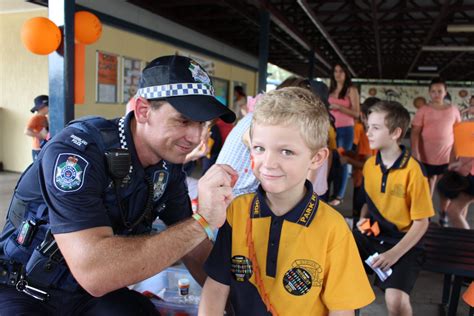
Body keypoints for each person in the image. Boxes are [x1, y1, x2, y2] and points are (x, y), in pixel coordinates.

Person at [0, 55, 237, 315]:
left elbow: (194, 248)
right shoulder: (77, 152)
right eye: (183, 120)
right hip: (24, 290)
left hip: (86, 296)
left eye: (203, 123)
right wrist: (203, 223)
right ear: (144, 111)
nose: (196, 137)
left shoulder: (169, 167)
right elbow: (95, 272)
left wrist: (240, 305)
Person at [199, 87, 375, 316]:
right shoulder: (237, 212)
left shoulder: (333, 228)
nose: (268, 163)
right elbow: (216, 288)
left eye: (286, 152)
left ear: (317, 158)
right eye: (260, 148)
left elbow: (342, 310)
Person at [354, 101, 434, 316]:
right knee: (343, 282)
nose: (368, 132)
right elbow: (367, 203)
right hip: (373, 233)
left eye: (376, 128)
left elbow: (422, 222)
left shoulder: (414, 171)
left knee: (396, 301)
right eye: (368, 126)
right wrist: (363, 220)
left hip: (403, 241)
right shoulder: (370, 166)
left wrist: (394, 254)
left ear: (396, 133)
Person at [410, 78, 461, 226]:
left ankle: (443, 214)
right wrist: (416, 152)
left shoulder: (453, 110)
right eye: (433, 91)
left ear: (445, 92)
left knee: (444, 186)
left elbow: (458, 134)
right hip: (426, 157)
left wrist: (457, 155)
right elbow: (415, 133)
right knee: (427, 187)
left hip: (446, 157)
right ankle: (426, 215)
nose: (436, 94)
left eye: (439, 91)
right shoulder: (423, 110)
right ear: (429, 93)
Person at [328, 63, 360, 206]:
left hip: (346, 129)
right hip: (330, 128)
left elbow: (357, 113)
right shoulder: (331, 89)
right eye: (335, 71)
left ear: (346, 73)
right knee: (330, 161)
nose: (338, 74)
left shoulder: (350, 90)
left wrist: (339, 107)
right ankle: (328, 191)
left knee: (342, 160)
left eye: (341, 71)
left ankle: (339, 195)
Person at [25, 95, 49, 161]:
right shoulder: (35, 118)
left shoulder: (45, 118)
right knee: (37, 168)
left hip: (44, 146)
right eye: (48, 106)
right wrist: (39, 135)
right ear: (42, 107)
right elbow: (27, 131)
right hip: (37, 148)